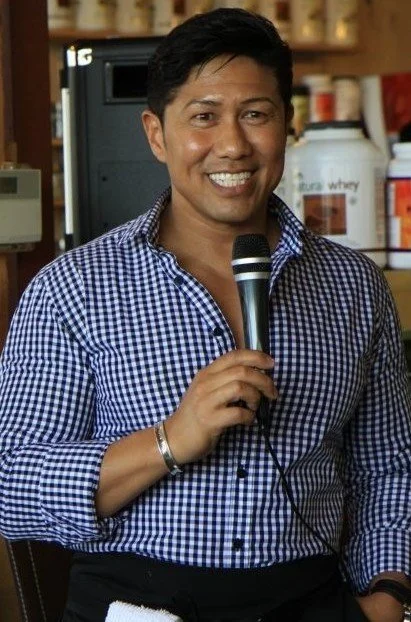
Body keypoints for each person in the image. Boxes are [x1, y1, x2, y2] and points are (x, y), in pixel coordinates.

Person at [0, 8, 410, 622]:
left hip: (312, 599)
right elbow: (13, 486)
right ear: (156, 134)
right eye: (203, 116)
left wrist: (389, 595)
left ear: (288, 125)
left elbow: (390, 468)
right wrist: (170, 440)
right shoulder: (73, 288)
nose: (233, 145)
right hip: (138, 603)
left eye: (256, 114)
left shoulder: (352, 286)